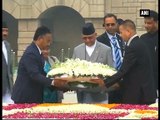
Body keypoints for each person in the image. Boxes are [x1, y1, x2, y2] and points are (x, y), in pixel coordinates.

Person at [100, 19, 157, 105]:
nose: (120, 35)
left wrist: (105, 82)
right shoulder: (139, 42)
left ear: (128, 32)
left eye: (121, 32)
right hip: (144, 91)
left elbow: (124, 70)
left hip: (139, 93)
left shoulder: (133, 46)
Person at [11, 26, 67, 103]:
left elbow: (43, 74)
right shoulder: (31, 53)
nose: (49, 44)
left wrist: (59, 85)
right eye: (48, 41)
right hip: (25, 97)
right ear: (40, 38)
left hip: (33, 96)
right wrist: (53, 82)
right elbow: (34, 75)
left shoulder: (37, 52)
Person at [72, 22, 113, 103]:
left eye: (90, 38)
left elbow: (111, 71)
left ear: (95, 35)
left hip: (100, 95)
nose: (87, 40)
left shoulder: (105, 50)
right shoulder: (77, 50)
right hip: (81, 94)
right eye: (85, 38)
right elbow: (72, 70)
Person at [97, 13, 125, 103]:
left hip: (123, 78)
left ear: (117, 24)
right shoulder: (99, 40)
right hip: (109, 80)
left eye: (112, 24)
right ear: (104, 26)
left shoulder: (122, 38)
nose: (110, 27)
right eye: (107, 25)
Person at [140, 10, 158, 100]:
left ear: (156, 22)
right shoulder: (142, 39)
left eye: (149, 23)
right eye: (145, 23)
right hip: (147, 81)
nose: (146, 26)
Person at [2, 21, 14, 103]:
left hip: (8, 89)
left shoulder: (7, 45)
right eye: (3, 31)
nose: (5, 33)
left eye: (6, 31)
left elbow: (10, 69)